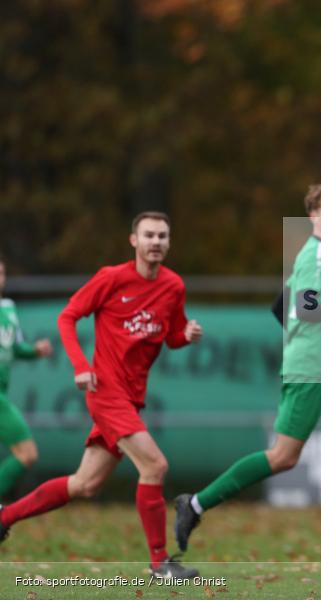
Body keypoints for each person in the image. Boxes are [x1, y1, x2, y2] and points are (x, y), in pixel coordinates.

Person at [173, 181, 321, 564]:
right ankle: (196, 504)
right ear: (312, 217)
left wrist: (317, 323)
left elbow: (280, 305)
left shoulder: (319, 256)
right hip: (310, 370)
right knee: (283, 457)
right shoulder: (317, 255)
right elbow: (304, 307)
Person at [0, 212, 203, 580]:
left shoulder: (173, 286)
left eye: (162, 236)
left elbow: (170, 336)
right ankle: (159, 564)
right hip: (106, 392)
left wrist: (185, 335)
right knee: (154, 466)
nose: (155, 242)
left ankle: (4, 517)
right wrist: (80, 364)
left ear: (169, 242)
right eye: (148, 235)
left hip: (132, 397)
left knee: (85, 483)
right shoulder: (111, 278)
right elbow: (68, 316)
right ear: (134, 241)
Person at [0, 257, 52, 498]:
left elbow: (15, 347)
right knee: (26, 453)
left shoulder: (8, 308)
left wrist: (34, 351)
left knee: (26, 454)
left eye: (1, 274)